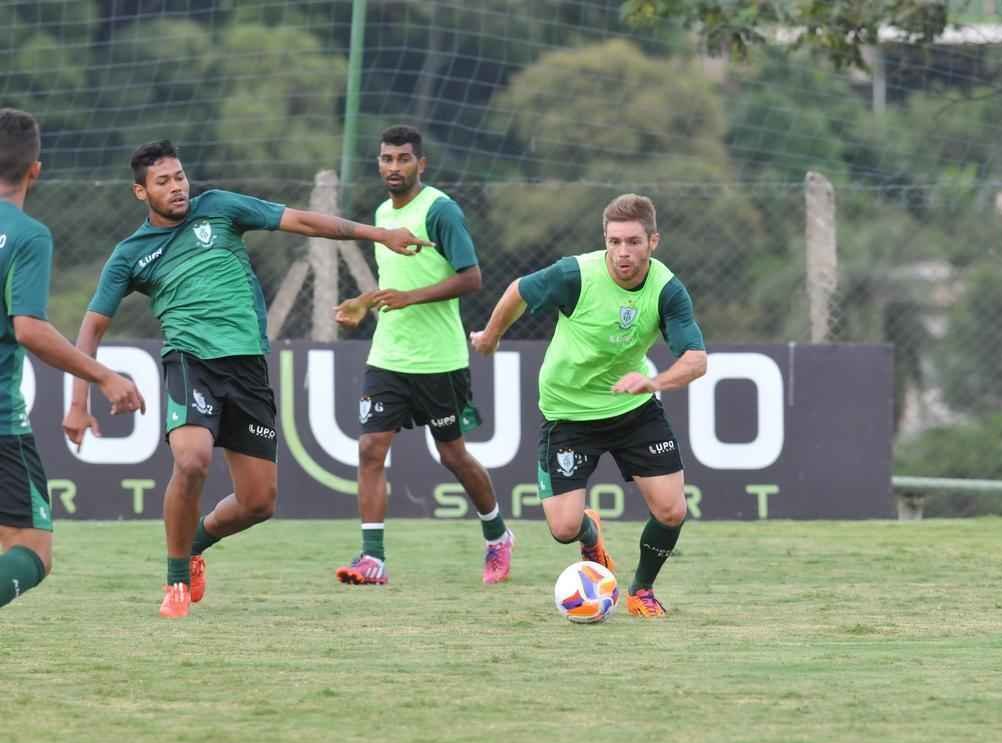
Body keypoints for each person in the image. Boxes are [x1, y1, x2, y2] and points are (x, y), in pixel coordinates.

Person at [62, 140, 431, 619]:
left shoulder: (218, 208)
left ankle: (190, 548)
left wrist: (378, 235)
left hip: (248, 369)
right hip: (190, 360)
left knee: (259, 502)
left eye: (179, 177)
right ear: (140, 192)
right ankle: (175, 584)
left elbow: (302, 220)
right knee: (192, 461)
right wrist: (78, 401)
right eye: (162, 182)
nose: (176, 188)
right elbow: (91, 327)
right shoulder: (131, 254)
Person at [470, 193, 706, 617]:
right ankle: (589, 531)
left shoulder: (667, 290)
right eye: (614, 241)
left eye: (633, 241)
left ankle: (642, 590)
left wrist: (653, 382)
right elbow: (518, 291)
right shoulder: (575, 274)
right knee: (563, 529)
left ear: (654, 241)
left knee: (672, 511)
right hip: (568, 412)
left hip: (631, 408)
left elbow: (696, 361)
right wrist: (490, 337)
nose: (622, 253)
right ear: (604, 240)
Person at [333, 125, 514, 586]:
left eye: (403, 159)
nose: (394, 168)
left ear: (421, 164)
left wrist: (412, 299)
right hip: (388, 356)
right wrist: (365, 301)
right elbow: (396, 282)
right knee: (371, 449)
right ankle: (372, 558)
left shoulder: (440, 210)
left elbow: (471, 278)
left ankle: (497, 536)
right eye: (386, 159)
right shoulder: (379, 214)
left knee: (452, 456)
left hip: (439, 360)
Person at [0, 108, 145, 610]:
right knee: (32, 549)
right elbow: (30, 329)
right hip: (1, 425)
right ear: (35, 170)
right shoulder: (26, 234)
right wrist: (103, 375)